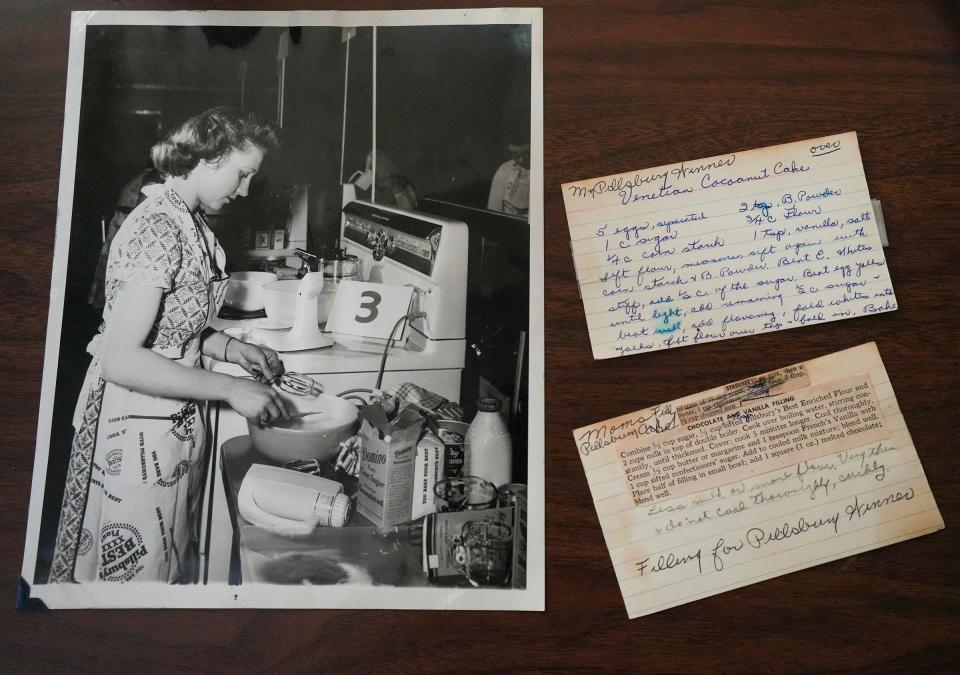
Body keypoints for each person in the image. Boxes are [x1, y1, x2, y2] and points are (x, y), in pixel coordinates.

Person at [50, 107, 291, 584]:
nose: (244, 191)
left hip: (166, 419)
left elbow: (168, 326)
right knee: (136, 572)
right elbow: (121, 358)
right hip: (136, 422)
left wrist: (225, 346)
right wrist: (229, 389)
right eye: (243, 175)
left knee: (163, 559)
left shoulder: (188, 221)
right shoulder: (159, 227)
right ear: (210, 156)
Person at [487, 140, 530, 218]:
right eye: (515, 154)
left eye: (526, 154)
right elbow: (493, 211)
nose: (520, 160)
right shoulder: (505, 169)